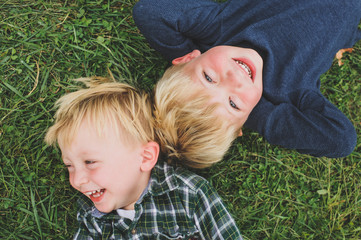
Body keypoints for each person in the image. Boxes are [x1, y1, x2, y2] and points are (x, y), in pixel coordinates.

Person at [133, 0, 361, 159]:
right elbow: (341, 139)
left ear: (187, 59)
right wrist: (257, 113)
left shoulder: (220, 29)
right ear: (244, 123)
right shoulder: (291, 89)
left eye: (209, 77)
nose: (235, 78)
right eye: (233, 103)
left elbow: (150, 10)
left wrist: (199, 53)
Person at [44, 77, 242, 239]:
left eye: (90, 162)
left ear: (145, 157)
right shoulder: (93, 219)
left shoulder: (188, 194)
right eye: (69, 165)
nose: (77, 180)